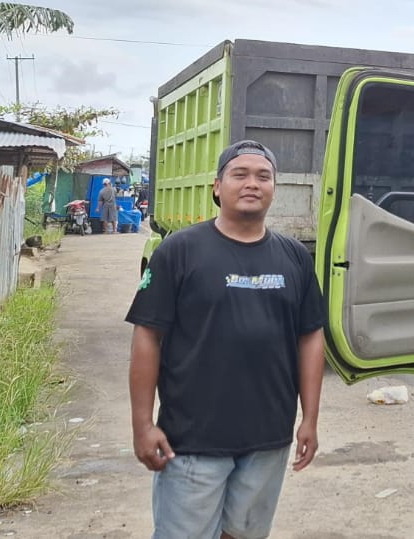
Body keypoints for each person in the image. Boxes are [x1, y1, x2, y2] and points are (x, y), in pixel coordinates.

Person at [126, 140, 325, 539]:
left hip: (268, 437)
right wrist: (142, 424)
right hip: (192, 439)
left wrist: (310, 419)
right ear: (217, 187)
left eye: (263, 176)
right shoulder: (179, 251)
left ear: (274, 187)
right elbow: (148, 335)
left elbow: (310, 337)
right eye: (240, 174)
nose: (252, 183)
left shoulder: (295, 257)